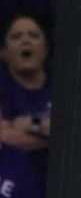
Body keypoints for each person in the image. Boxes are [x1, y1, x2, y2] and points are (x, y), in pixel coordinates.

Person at [0, 14, 52, 198]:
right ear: (4, 52)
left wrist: (32, 123)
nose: (25, 41)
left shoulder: (61, 84)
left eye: (33, 35)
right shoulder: (3, 85)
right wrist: (50, 136)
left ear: (45, 49)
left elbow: (68, 131)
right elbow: (6, 135)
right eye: (16, 37)